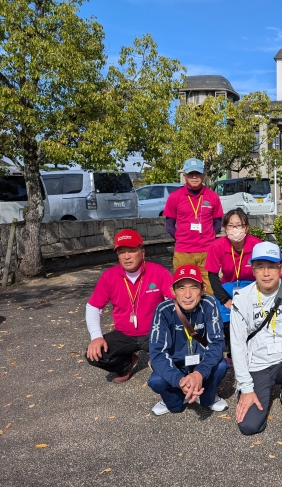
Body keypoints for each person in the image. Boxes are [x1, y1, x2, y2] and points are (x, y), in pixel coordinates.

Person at [230, 242, 282, 435]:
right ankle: (260, 390)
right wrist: (245, 388)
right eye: (260, 267)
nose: (266, 273)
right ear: (252, 270)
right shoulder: (242, 299)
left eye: (271, 266)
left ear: (281, 268)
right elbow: (237, 345)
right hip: (257, 366)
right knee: (250, 426)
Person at [85, 230, 173, 383]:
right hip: (124, 333)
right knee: (94, 355)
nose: (126, 256)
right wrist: (96, 336)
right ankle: (125, 364)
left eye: (132, 251)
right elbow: (93, 307)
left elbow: (175, 301)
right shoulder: (109, 276)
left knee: (180, 351)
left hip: (154, 331)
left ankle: (156, 356)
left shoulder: (158, 272)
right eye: (121, 252)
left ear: (142, 252)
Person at [148, 265, 229, 415]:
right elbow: (158, 352)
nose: (187, 294)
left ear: (203, 289)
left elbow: (217, 344)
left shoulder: (210, 304)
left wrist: (198, 373)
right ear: (173, 291)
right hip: (176, 365)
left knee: (221, 366)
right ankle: (175, 397)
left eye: (194, 287)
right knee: (157, 382)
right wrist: (179, 380)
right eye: (181, 288)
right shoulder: (163, 310)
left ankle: (208, 397)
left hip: (201, 362)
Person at [163, 157, 224, 294]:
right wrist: (182, 238)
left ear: (204, 175)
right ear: (184, 176)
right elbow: (169, 225)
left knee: (210, 289)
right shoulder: (175, 197)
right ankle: (184, 316)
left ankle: (209, 315)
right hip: (183, 252)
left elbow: (218, 223)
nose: (194, 177)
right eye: (191, 174)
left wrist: (208, 238)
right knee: (184, 290)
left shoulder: (212, 196)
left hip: (207, 251)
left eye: (198, 173)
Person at [205, 209, 263, 339]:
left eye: (239, 225)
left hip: (252, 288)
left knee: (254, 321)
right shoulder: (217, 245)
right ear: (225, 228)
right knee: (228, 323)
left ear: (246, 228)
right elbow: (212, 275)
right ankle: (232, 352)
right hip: (228, 289)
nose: (235, 229)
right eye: (230, 226)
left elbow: (265, 272)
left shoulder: (257, 244)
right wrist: (225, 300)